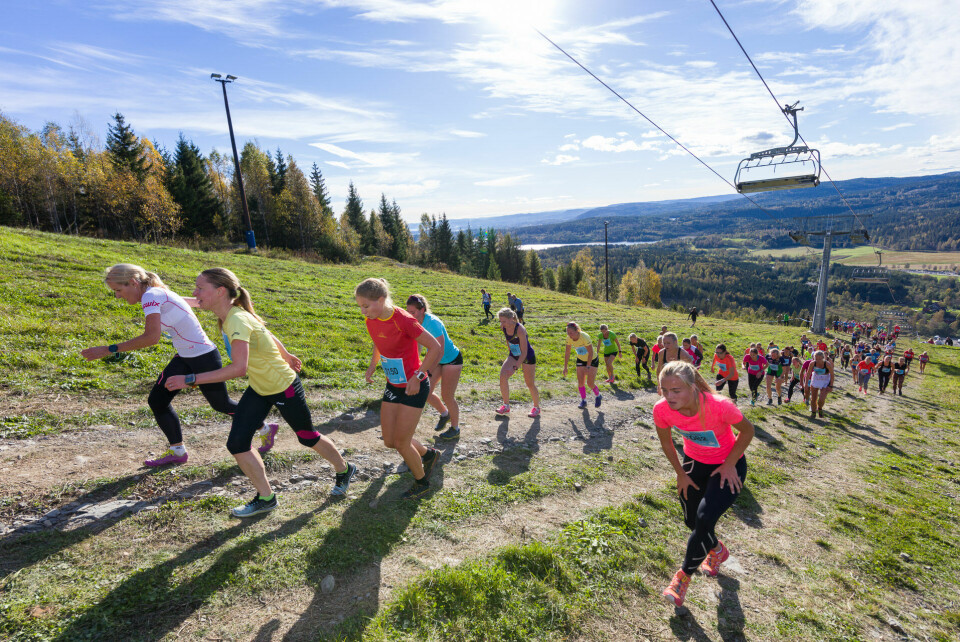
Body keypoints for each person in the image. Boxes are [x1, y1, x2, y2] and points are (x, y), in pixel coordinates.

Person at [165, 268, 357, 517]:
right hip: (259, 387)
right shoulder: (232, 312)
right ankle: (266, 498)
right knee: (237, 443)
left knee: (307, 436)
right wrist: (286, 353)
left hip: (282, 386)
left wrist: (189, 379)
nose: (194, 293)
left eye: (200, 288)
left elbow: (238, 368)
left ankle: (344, 469)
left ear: (220, 291)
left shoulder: (235, 320)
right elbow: (264, 331)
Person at [81, 263, 277, 468]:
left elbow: (151, 338)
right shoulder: (158, 293)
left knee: (221, 404)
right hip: (185, 357)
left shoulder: (151, 296)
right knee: (157, 400)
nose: (118, 296)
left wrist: (109, 349)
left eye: (118, 290)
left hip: (203, 357)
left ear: (133, 282)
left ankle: (265, 428)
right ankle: (177, 451)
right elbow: (193, 303)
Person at [654, 361, 754, 608]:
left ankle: (682, 577)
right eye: (664, 390)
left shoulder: (719, 406)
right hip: (693, 465)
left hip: (727, 466)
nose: (669, 396)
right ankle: (717, 549)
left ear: (692, 387)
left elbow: (748, 431)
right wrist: (680, 473)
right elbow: (667, 444)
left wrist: (730, 464)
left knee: (704, 519)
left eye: (676, 391)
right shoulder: (662, 410)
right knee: (692, 522)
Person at [358, 278, 442, 500]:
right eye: (360, 306)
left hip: (415, 385)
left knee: (402, 442)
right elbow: (378, 341)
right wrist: (373, 364)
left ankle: (422, 482)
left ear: (382, 299)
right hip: (393, 384)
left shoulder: (403, 319)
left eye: (366, 305)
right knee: (389, 440)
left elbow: (435, 347)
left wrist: (419, 375)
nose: (363, 311)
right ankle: (429, 454)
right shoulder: (371, 319)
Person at [405, 294, 463, 441]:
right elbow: (417, 344)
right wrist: (416, 365)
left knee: (447, 395)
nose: (410, 315)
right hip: (436, 360)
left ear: (422, 310)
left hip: (451, 360)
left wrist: (427, 370)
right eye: (408, 311)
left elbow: (440, 350)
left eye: (413, 312)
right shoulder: (415, 322)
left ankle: (455, 429)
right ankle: (445, 414)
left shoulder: (433, 323)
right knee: (426, 392)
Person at [497, 308, 540, 417]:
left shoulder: (520, 329)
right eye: (500, 321)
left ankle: (536, 407)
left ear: (511, 319)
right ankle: (506, 406)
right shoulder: (504, 327)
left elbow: (524, 352)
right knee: (503, 375)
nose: (502, 324)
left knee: (529, 383)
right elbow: (509, 342)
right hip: (514, 355)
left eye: (504, 321)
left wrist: (515, 367)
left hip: (527, 357)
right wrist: (511, 357)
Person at [563, 322, 601, 409]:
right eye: (567, 333)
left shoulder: (584, 337)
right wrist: (565, 367)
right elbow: (567, 352)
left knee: (590, 383)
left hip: (592, 360)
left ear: (577, 331)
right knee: (580, 383)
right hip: (580, 359)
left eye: (571, 333)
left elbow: (590, 352)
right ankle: (583, 400)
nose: (569, 335)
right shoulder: (569, 338)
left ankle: (598, 395)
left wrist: (588, 366)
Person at [804, 350, 834, 419]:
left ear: (823, 358)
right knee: (813, 398)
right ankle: (813, 413)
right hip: (815, 379)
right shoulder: (812, 363)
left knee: (821, 398)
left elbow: (832, 374)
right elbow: (808, 373)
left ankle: (820, 408)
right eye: (816, 359)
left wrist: (831, 385)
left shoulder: (827, 364)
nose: (817, 360)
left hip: (825, 379)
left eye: (819, 359)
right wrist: (806, 384)